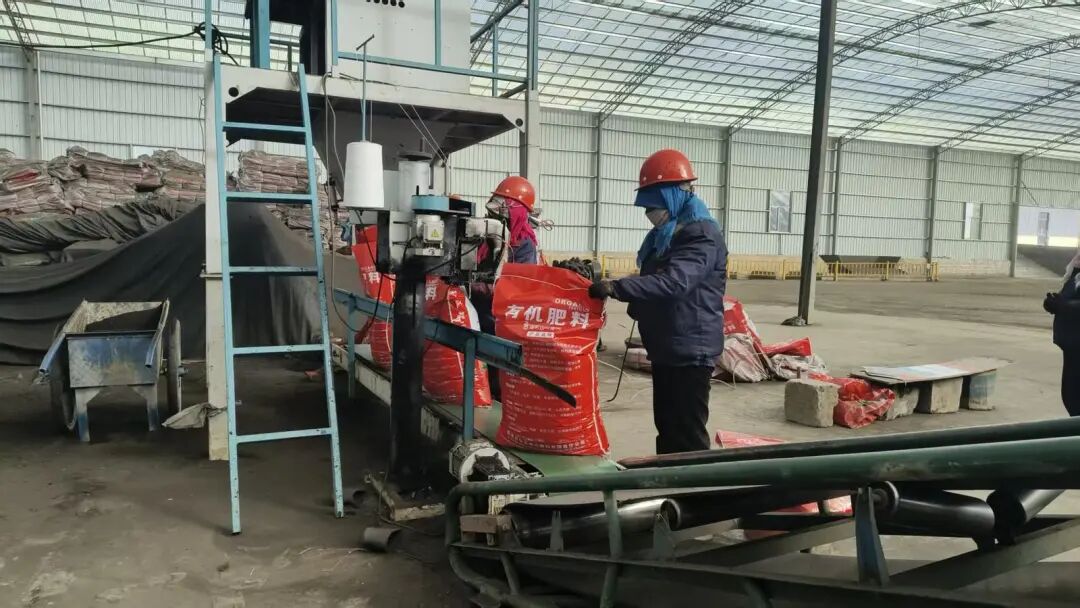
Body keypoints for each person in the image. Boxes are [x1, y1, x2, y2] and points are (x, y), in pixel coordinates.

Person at [590, 149, 727, 454]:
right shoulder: (669, 233)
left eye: (654, 205)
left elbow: (675, 282)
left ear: (674, 195)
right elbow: (655, 275)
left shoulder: (701, 234)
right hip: (669, 344)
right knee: (667, 426)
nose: (649, 213)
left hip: (690, 348)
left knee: (686, 434)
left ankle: (691, 483)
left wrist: (617, 287)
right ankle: (668, 478)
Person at [469, 176, 540, 400]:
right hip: (480, 315)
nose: (495, 211)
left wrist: (485, 286)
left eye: (503, 206)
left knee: (500, 376)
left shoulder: (524, 244)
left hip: (502, 321)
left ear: (517, 210)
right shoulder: (488, 236)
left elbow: (518, 286)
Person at [1045, 247, 1080, 416]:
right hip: (1072, 346)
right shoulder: (1075, 274)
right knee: (1071, 397)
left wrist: (1065, 306)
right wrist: (1053, 303)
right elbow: (1067, 297)